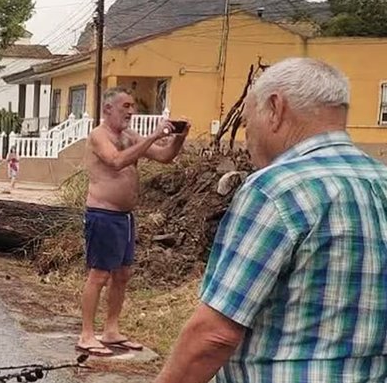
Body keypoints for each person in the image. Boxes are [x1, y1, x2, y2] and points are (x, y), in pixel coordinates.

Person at [155, 58, 387, 383]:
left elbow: (214, 336)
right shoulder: (380, 180)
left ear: (275, 108)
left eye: (249, 122)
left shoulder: (276, 190)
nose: (247, 138)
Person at [76, 86, 189, 357]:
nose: (131, 111)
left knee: (123, 275)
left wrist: (178, 138)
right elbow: (115, 162)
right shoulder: (98, 136)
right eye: (125, 106)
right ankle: (87, 334)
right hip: (103, 214)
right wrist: (153, 135)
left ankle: (111, 330)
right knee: (99, 275)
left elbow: (164, 156)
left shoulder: (129, 136)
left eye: (132, 106)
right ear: (108, 109)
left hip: (125, 217)